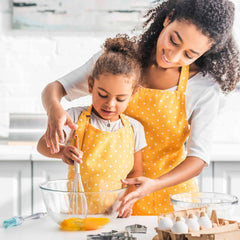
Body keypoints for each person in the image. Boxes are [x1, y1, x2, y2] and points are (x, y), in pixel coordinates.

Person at [41, 0, 240, 216]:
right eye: (174, 40)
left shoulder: (203, 86)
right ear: (168, 17)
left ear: (206, 51)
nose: (173, 56)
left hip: (172, 204)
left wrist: (154, 184)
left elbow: (198, 159)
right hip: (112, 202)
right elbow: (56, 88)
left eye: (189, 55)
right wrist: (54, 108)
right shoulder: (117, 61)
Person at [37, 35, 147, 217]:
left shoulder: (135, 129)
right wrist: (61, 151)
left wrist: (128, 200)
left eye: (120, 99)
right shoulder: (74, 118)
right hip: (78, 215)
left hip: (115, 217)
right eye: (102, 94)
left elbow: (136, 172)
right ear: (90, 86)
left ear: (133, 94)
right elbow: (42, 146)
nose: (110, 104)